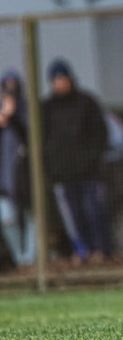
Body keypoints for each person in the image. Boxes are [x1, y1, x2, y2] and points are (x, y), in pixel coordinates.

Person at [42, 58, 113, 262]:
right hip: (63, 175)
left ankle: (100, 251)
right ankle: (81, 252)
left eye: (63, 78)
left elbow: (100, 135)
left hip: (89, 173)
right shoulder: (47, 108)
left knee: (94, 213)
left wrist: (91, 159)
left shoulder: (86, 103)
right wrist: (52, 166)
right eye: (56, 80)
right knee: (73, 219)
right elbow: (40, 141)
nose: (60, 83)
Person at [0, 70, 35, 268]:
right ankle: (19, 258)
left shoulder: (25, 112)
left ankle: (29, 260)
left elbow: (31, 138)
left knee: (31, 217)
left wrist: (13, 119)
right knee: (7, 219)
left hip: (24, 178)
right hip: (4, 181)